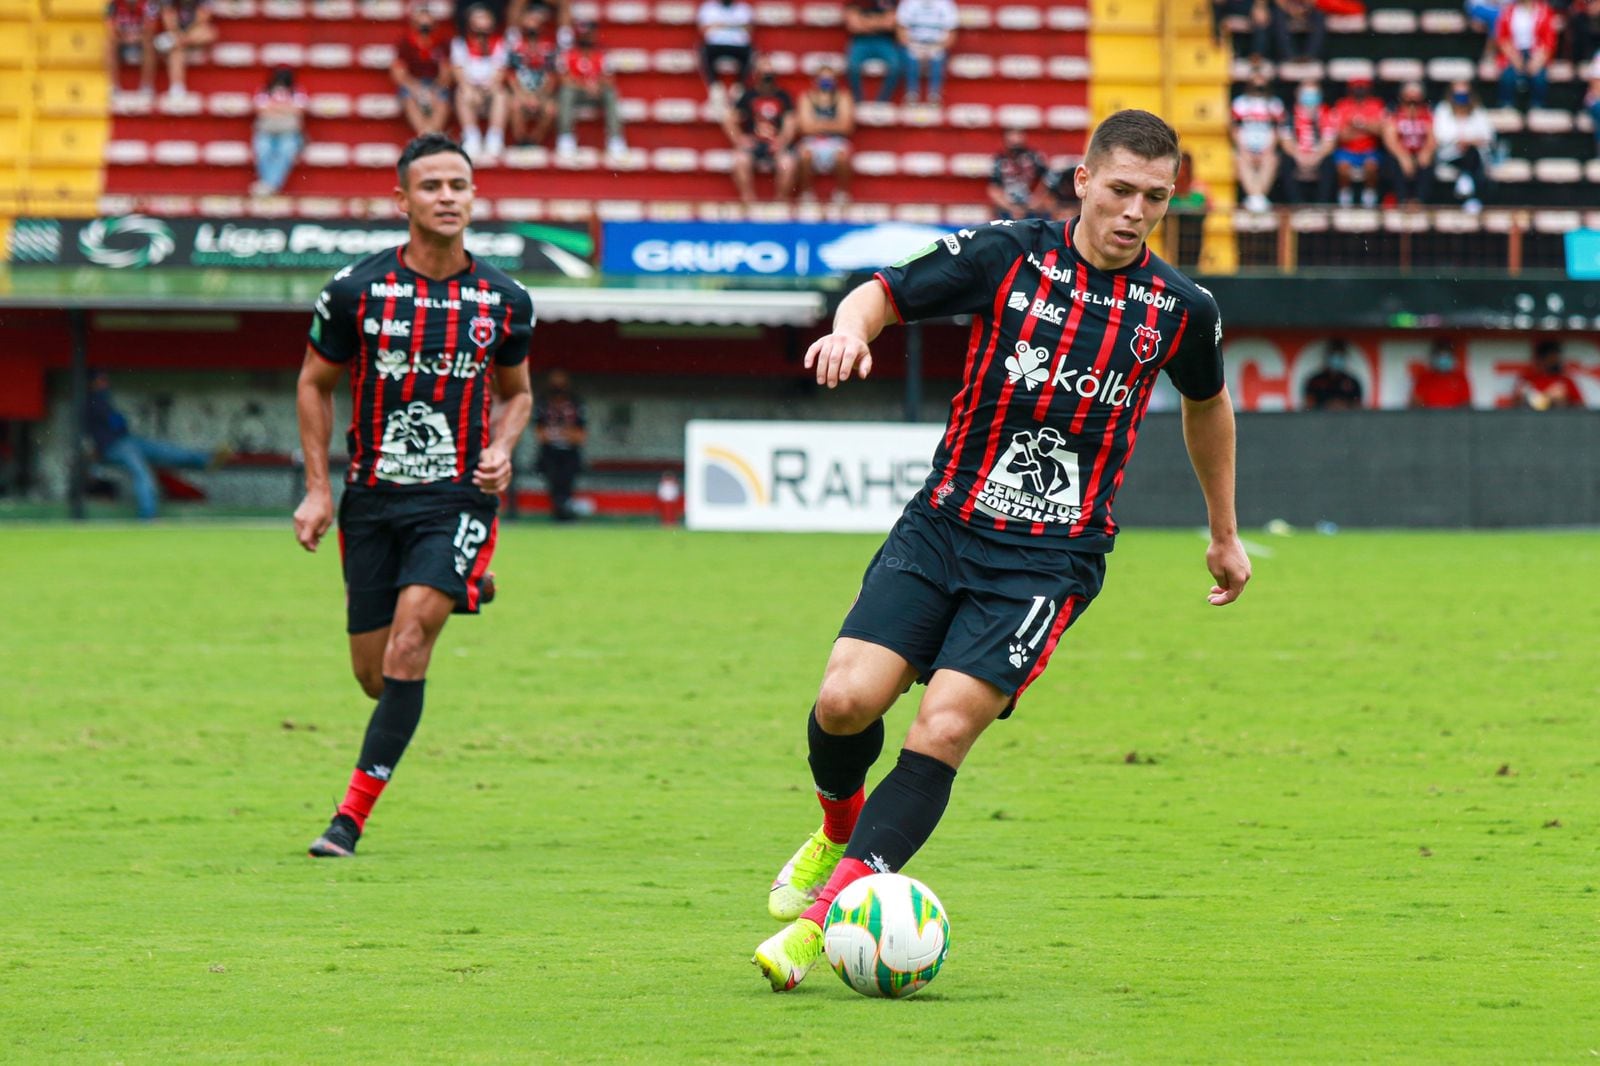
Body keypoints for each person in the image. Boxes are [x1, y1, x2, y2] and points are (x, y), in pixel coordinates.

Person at [750, 108, 1249, 991]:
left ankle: (823, 920)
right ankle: (838, 824)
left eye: (1156, 198)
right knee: (842, 703)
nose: (1136, 212)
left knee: (942, 726)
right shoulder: (1007, 256)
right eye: (1122, 190)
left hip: (1046, 564)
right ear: (1083, 181)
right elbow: (884, 291)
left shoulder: (1180, 309)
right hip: (944, 524)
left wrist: (1223, 532)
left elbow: (1207, 405)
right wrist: (850, 330)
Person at [294, 133, 536, 858]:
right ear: (402, 200)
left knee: (409, 645)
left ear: (473, 196)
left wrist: (501, 446)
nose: (447, 198)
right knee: (374, 676)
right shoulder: (353, 292)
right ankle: (466, 586)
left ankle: (348, 820)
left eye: (458, 185)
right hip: (371, 501)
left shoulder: (505, 299)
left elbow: (517, 395)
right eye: (430, 186)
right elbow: (314, 383)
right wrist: (316, 490)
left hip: (458, 497)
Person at [85, 370, 228, 520]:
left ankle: (207, 461)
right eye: (100, 380)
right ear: (92, 383)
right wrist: (94, 461)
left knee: (168, 451)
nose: (105, 383)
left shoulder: (105, 401)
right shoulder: (90, 402)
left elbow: (120, 425)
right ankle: (147, 517)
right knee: (142, 473)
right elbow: (97, 431)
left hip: (128, 441)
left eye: (105, 380)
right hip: (113, 447)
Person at [724, 56, 797, 204]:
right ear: (756, 75)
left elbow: (791, 123)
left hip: (776, 142)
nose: (767, 79)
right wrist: (739, 139)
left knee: (787, 163)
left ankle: (780, 201)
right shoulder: (748, 96)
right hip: (754, 142)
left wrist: (782, 140)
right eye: (764, 75)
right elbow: (729, 119)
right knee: (740, 160)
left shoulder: (783, 96)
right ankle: (748, 199)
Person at [555, 20, 627, 158]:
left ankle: (615, 139)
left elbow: (610, 78)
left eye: (589, 34)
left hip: (597, 92)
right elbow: (563, 79)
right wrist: (585, 85)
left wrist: (597, 86)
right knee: (565, 92)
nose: (586, 37)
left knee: (611, 94)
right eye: (584, 34)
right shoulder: (568, 54)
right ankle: (566, 136)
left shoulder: (603, 54)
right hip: (577, 92)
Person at [451, 3, 511, 159]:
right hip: (470, 87)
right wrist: (468, 88)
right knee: (461, 94)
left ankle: (495, 137)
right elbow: (458, 70)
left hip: (490, 87)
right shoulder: (460, 43)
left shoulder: (499, 43)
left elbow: (500, 71)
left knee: (501, 95)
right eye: (478, 17)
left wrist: (490, 87)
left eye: (485, 17)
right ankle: (472, 136)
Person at [392, 0, 453, 137]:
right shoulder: (405, 43)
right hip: (413, 83)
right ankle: (425, 135)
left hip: (435, 83)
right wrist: (416, 88)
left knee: (443, 97)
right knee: (407, 96)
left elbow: (446, 72)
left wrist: (435, 89)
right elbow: (398, 72)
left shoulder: (441, 42)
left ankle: (430, 135)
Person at [796, 65, 855, 204]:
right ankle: (806, 192)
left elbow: (846, 126)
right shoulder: (807, 97)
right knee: (804, 155)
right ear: (815, 81)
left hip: (836, 141)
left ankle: (841, 193)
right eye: (823, 79)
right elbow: (804, 127)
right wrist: (833, 124)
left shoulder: (843, 97)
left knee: (842, 156)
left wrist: (817, 124)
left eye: (829, 79)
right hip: (813, 141)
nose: (826, 82)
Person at [1434, 81, 1494, 213]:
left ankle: (1469, 190)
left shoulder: (1478, 111)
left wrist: (1469, 141)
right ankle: (1472, 196)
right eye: (1458, 95)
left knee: (1473, 155)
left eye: (1464, 95)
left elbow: (1488, 136)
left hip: (1474, 155)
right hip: (1450, 155)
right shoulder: (1443, 110)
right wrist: (1459, 140)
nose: (1461, 99)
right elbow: (1440, 135)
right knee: (1468, 155)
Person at [534, 369, 586, 521]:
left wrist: (557, 433)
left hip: (570, 454)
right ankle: (558, 512)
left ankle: (567, 512)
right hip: (549, 454)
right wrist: (564, 433)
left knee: (567, 483)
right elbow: (540, 434)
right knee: (553, 483)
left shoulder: (576, 403)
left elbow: (580, 436)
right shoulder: (543, 403)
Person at [1231, 66, 1284, 212]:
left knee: (1271, 160)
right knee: (1241, 159)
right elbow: (1235, 128)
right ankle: (1256, 198)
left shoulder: (1275, 104)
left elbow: (1277, 130)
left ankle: (1257, 197)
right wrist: (1244, 148)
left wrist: (1268, 149)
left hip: (1266, 149)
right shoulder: (1240, 103)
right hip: (1245, 148)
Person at [1329, 77, 1385, 208]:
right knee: (1343, 167)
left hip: (1369, 149)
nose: (1360, 91)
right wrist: (1366, 128)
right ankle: (1345, 198)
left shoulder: (1376, 104)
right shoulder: (1342, 105)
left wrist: (1358, 125)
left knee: (1371, 166)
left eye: (1362, 87)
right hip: (1348, 150)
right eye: (1356, 87)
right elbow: (1341, 136)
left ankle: (1369, 198)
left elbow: (1380, 130)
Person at [251, 66, 307, 196]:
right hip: (266, 130)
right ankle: (270, 185)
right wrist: (285, 108)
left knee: (286, 152)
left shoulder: (297, 91)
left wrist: (275, 108)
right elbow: (260, 109)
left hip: (289, 131)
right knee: (262, 151)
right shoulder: (265, 90)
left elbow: (300, 109)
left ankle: (268, 185)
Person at [1277, 78, 1336, 203]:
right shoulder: (1289, 114)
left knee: (1329, 161)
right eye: (1306, 94)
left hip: (1318, 155)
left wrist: (1316, 156)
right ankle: (1296, 204)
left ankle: (1322, 204)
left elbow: (1329, 143)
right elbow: (1286, 141)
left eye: (1313, 95)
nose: (1310, 99)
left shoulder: (1326, 113)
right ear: (1298, 95)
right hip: (1297, 154)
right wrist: (1299, 156)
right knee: (1286, 160)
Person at [507, 3, 558, 145]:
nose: (533, 24)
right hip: (520, 91)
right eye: (530, 19)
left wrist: (539, 96)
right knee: (514, 104)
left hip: (542, 92)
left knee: (551, 109)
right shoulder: (515, 46)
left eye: (536, 20)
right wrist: (522, 94)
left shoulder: (549, 47)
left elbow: (552, 77)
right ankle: (521, 139)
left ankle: (535, 140)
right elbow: (511, 75)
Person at [1495, 0, 1556, 110]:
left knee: (1539, 78)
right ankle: (1506, 106)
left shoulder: (1544, 11)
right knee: (1508, 77)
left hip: (1536, 53)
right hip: (1514, 52)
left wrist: (1538, 60)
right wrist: (1515, 58)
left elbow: (1549, 39)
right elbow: (1502, 38)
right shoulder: (1508, 11)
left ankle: (1538, 106)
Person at [1382, 81, 1435, 206]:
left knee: (1427, 163)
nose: (1412, 99)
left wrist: (1426, 151)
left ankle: (1419, 200)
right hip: (1400, 153)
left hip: (1419, 152)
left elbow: (1432, 137)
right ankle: (1402, 199)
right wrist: (1403, 157)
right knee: (1394, 163)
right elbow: (1390, 139)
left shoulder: (1427, 113)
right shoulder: (1394, 112)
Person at [896, 0, 957, 106]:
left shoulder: (946, 4)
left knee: (938, 57)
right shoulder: (908, 3)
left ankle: (934, 95)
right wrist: (913, 46)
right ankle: (912, 94)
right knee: (911, 56)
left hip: (937, 44)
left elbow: (952, 34)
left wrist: (937, 47)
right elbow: (901, 30)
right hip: (913, 43)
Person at [696, 0, 754, 109]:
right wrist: (734, 25)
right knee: (703, 51)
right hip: (715, 44)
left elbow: (748, 28)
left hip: (738, 45)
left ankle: (739, 87)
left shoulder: (743, 8)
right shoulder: (708, 7)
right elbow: (703, 29)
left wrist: (720, 25)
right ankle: (715, 86)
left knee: (751, 52)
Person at [154, 0, 216, 100]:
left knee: (209, 32)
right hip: (176, 34)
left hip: (192, 34)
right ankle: (177, 87)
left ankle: (176, 42)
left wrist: (184, 37)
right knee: (176, 50)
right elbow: (168, 22)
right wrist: (178, 34)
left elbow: (203, 18)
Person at [845, 0, 904, 103]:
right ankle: (858, 101)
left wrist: (865, 20)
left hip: (884, 41)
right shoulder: (857, 2)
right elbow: (854, 26)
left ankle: (882, 102)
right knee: (852, 66)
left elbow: (890, 24)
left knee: (896, 66)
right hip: (861, 41)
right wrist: (880, 21)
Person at [987, 126, 1051, 219]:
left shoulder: (1034, 157)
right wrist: (1010, 207)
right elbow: (993, 189)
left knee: (1050, 205)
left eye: (1018, 138)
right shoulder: (999, 160)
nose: (1015, 142)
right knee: (992, 212)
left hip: (1030, 204)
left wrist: (1036, 201)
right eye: (1012, 140)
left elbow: (1048, 180)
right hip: (1007, 206)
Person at [1511, 338, 1585, 409]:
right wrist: (1545, 398)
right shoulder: (1526, 379)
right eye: (1552, 357)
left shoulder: (1565, 381)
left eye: (1557, 357)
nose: (1556, 361)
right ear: (1541, 359)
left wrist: (1564, 401)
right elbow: (1514, 406)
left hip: (1559, 420)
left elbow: (1581, 407)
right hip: (1531, 419)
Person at [107, 0, 158, 96]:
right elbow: (110, 28)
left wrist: (136, 37)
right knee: (109, 43)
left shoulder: (149, 4)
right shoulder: (113, 4)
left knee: (149, 43)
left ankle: (146, 86)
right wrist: (125, 38)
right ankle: (114, 86)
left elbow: (151, 29)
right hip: (123, 41)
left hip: (141, 41)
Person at [1409, 337, 1473, 408]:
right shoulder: (1425, 378)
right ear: (1433, 356)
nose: (1443, 359)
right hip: (1429, 417)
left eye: (1446, 355)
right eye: (1440, 355)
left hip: (1454, 417)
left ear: (1453, 356)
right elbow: (1415, 402)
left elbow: (1467, 404)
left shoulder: (1460, 378)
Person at [1302, 339, 1363, 409]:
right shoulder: (1315, 381)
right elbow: (1308, 406)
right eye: (1334, 354)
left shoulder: (1352, 382)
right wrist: (1326, 406)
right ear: (1327, 356)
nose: (1337, 358)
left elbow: (1358, 407)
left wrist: (1344, 406)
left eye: (1340, 355)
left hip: (1346, 419)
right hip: (1320, 418)